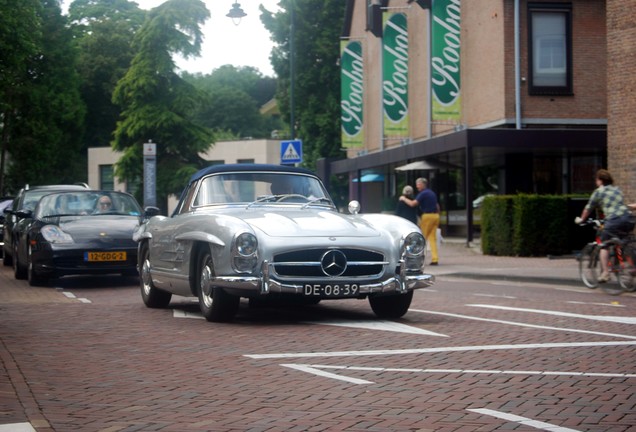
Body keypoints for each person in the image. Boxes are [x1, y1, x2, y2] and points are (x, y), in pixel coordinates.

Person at [575, 169, 635, 282]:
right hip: (628, 218)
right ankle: (632, 267)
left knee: (604, 245)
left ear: (600, 180)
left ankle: (605, 273)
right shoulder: (617, 189)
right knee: (624, 243)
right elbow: (620, 205)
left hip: (613, 220)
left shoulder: (599, 191)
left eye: (596, 180)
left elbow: (588, 208)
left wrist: (581, 219)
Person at [400, 177, 440, 265]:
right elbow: (437, 206)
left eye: (418, 184)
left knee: (421, 239)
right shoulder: (432, 193)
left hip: (427, 216)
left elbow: (413, 204)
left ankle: (416, 259)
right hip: (436, 216)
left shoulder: (423, 193)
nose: (417, 186)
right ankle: (435, 259)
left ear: (423, 184)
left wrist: (403, 199)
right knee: (432, 239)